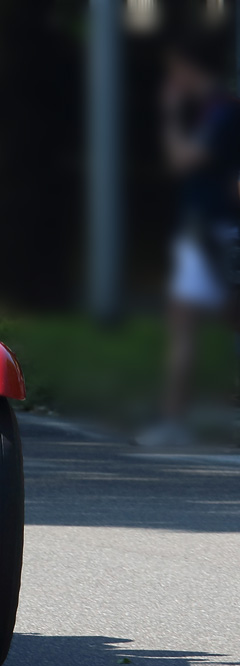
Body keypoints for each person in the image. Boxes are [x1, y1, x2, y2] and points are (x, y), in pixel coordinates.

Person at [137, 40, 240, 446]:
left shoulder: (220, 113)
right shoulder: (218, 112)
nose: (172, 81)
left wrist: (167, 115)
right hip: (211, 231)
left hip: (211, 232)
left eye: (176, 71)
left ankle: (174, 421)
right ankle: (175, 418)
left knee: (187, 327)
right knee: (200, 324)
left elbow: (182, 159)